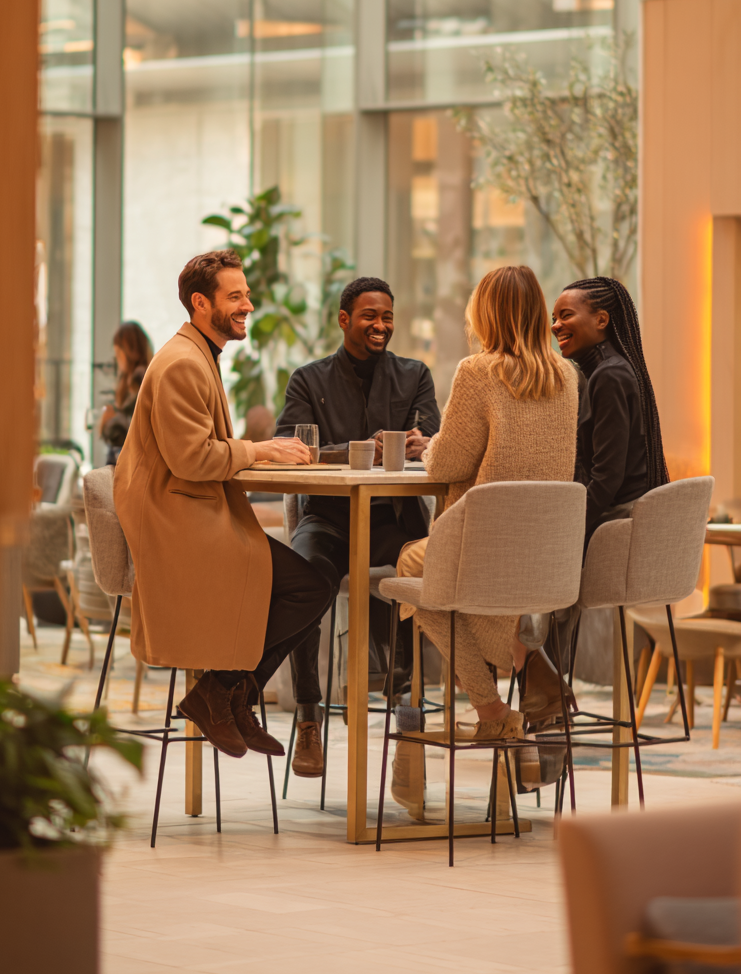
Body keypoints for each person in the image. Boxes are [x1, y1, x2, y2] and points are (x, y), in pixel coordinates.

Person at [114, 250, 331, 761]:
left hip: (192, 512)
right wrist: (260, 449)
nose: (248, 306)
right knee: (310, 586)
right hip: (178, 523)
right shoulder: (183, 364)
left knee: (309, 585)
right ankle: (225, 693)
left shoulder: (197, 355)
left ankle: (227, 694)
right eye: (235, 297)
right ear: (200, 303)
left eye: (247, 295)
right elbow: (191, 459)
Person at [397, 265, 581, 746]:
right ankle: (526, 662)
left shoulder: (478, 371)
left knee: (411, 575)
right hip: (542, 558)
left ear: (484, 314)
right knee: (444, 586)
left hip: (482, 550)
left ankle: (492, 708)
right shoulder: (567, 375)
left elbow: (446, 465)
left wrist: (430, 445)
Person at [275, 275, 441, 778]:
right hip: (329, 521)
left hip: (396, 521)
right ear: (344, 320)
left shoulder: (415, 375)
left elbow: (435, 439)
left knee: (417, 580)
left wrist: (422, 444)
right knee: (299, 580)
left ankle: (406, 725)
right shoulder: (308, 379)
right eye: (370, 316)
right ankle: (308, 718)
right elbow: (290, 447)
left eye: (387, 316)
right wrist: (352, 452)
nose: (380, 325)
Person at [551, 277, 669, 548]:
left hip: (615, 526)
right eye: (554, 318)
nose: (555, 326)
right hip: (624, 520)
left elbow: (607, 478)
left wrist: (565, 533)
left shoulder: (609, 375)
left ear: (601, 320)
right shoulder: (614, 369)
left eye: (565, 316)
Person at [100, 321, 153, 464]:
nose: (117, 359)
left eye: (118, 353)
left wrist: (108, 422)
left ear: (128, 352)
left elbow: (129, 431)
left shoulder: (140, 378)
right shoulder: (135, 378)